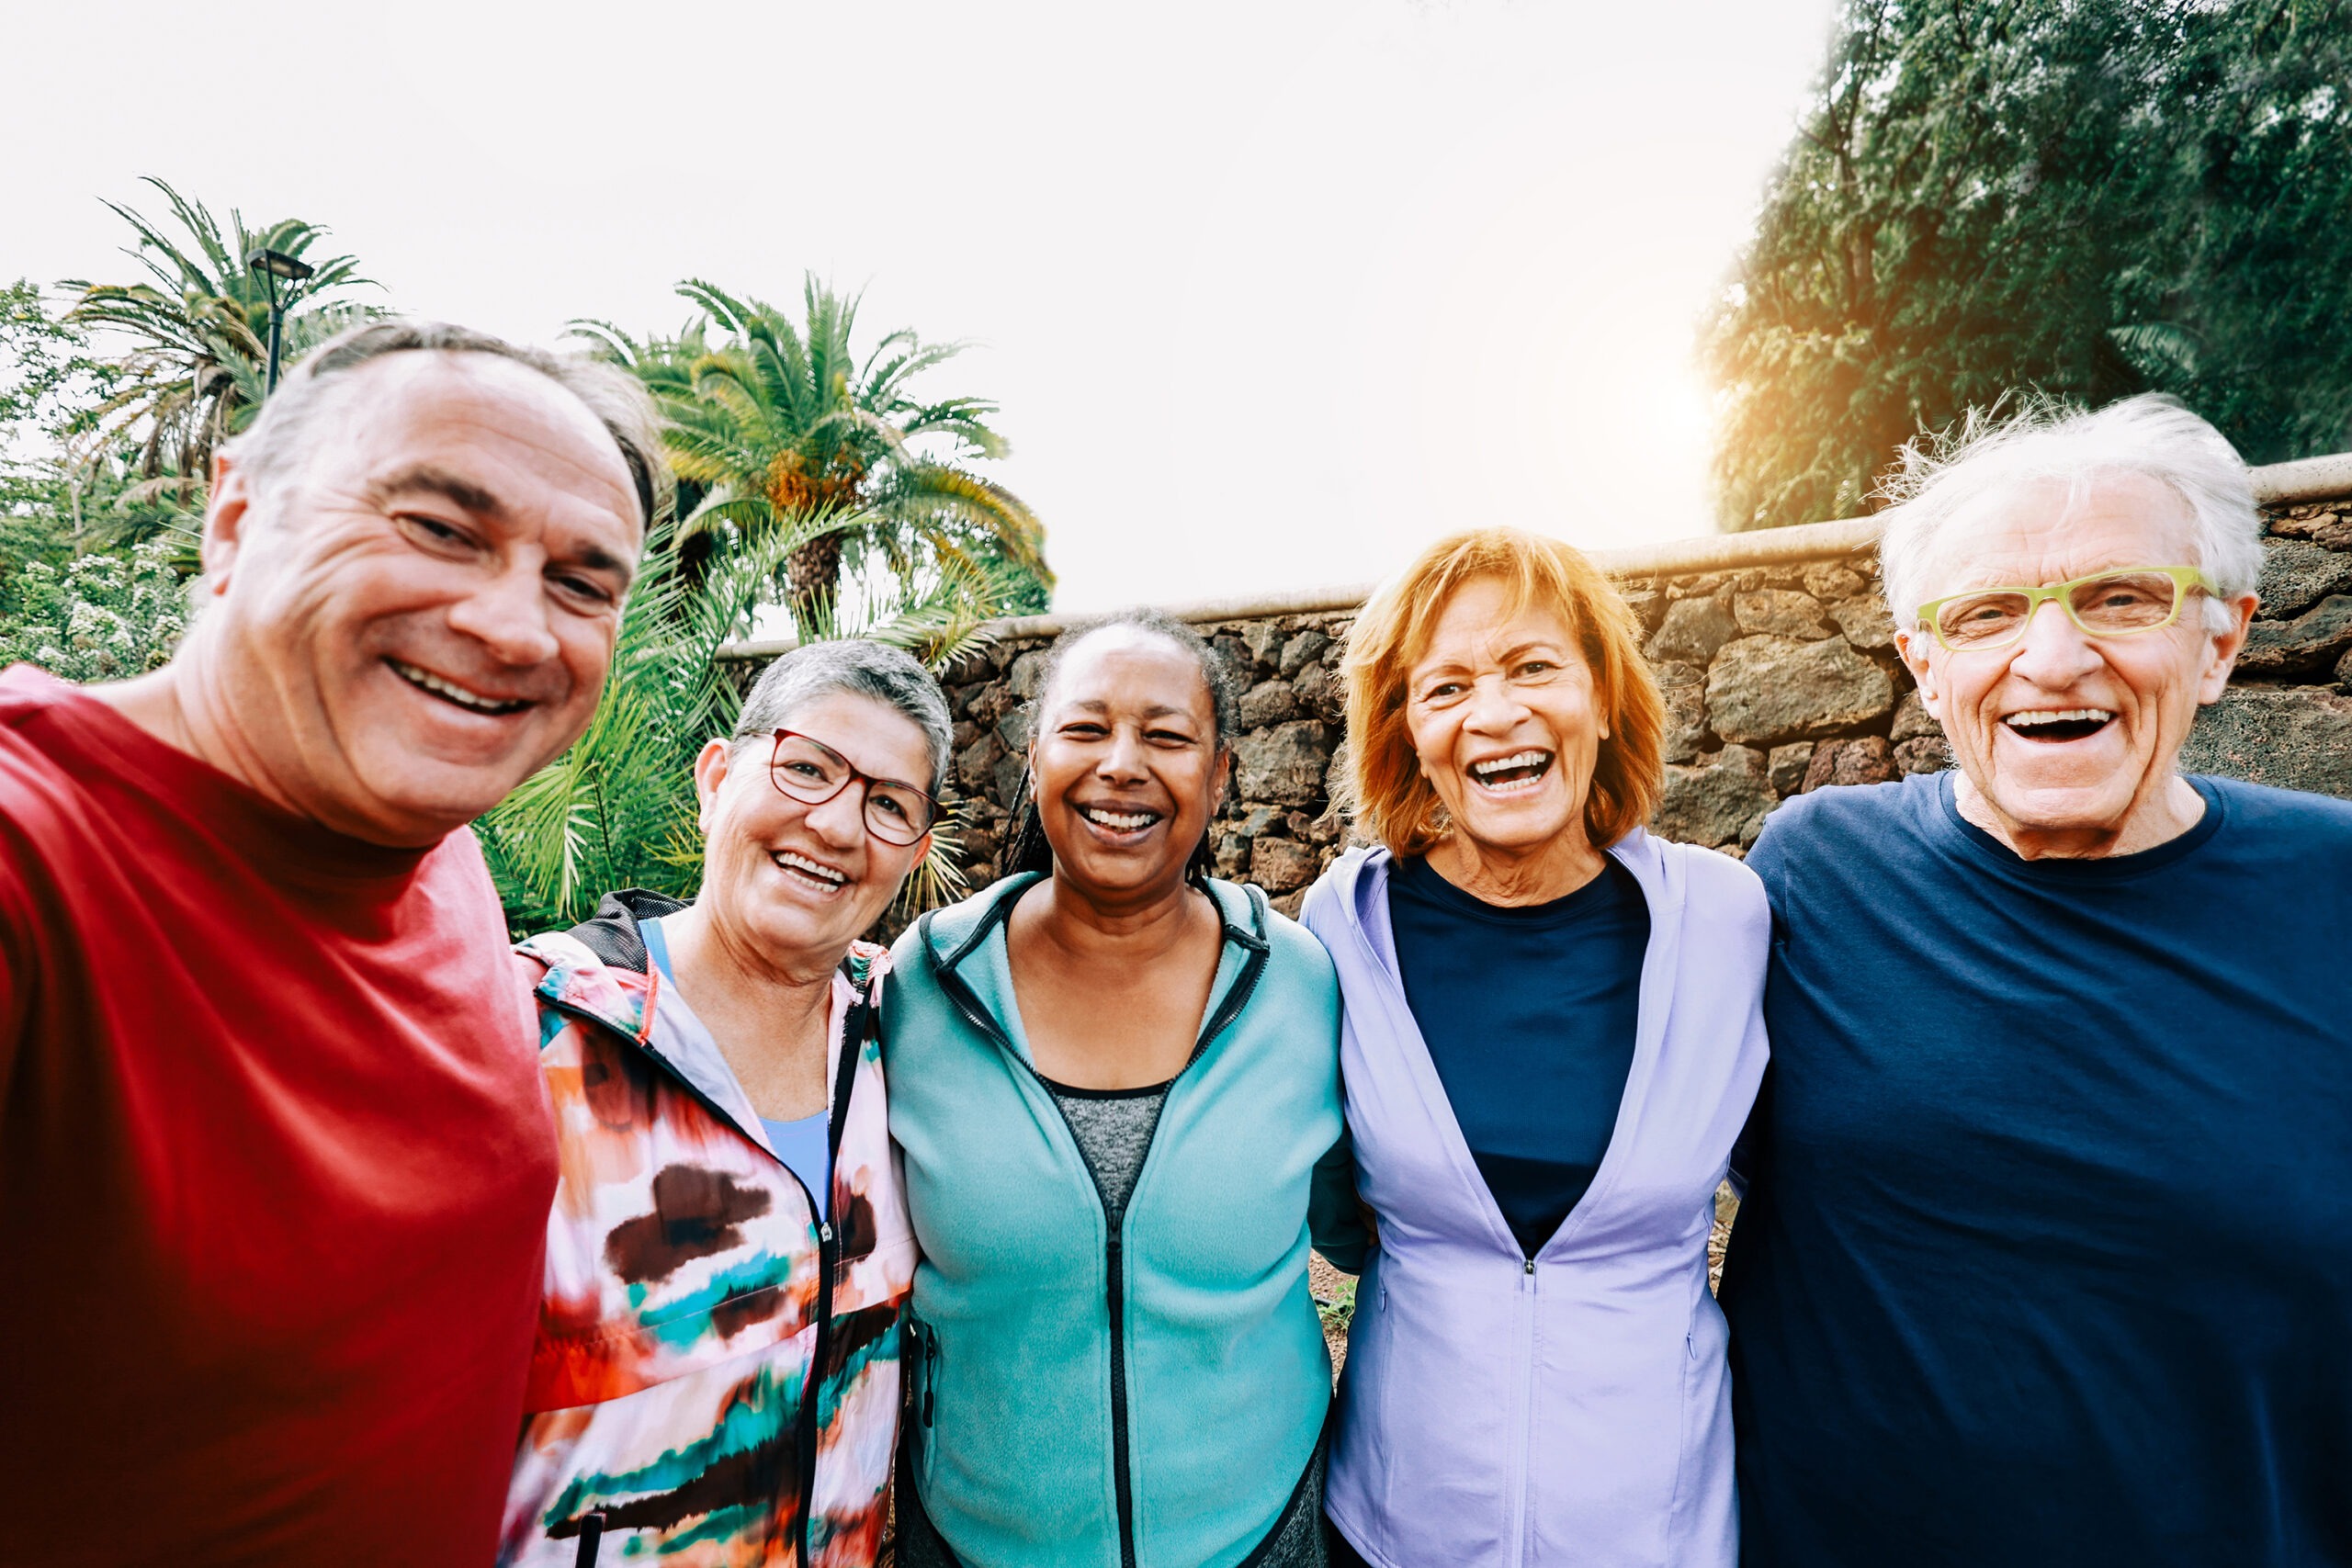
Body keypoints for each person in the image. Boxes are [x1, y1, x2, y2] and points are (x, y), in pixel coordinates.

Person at [0, 321, 662, 1563]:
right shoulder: (34, 858)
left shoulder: (447, 864)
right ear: (237, 517)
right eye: (440, 527)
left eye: (581, 582)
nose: (518, 628)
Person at [1720, 394, 2352, 1564]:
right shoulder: (1814, 875)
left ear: (2219, 642)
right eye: (1986, 613)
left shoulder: (2336, 889)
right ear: (1922, 662)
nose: (2050, 658)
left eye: (2123, 597)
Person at [1298, 529, 1770, 1568]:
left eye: (1532, 668)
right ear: (1408, 733)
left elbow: (1814, 1179)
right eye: (1446, 686)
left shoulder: (1725, 924)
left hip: (1660, 1531)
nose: (1495, 713)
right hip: (1391, 1529)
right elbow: (1331, 1205)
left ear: (1602, 699)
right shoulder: (1341, 928)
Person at [886, 610, 1365, 1568]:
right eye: (1085, 727)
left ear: (1220, 774)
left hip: (1261, 1536)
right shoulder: (922, 987)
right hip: (977, 1542)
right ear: (1033, 757)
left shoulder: (1299, 985)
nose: (1121, 763)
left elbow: (1371, 1227)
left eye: (1167, 735)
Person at [500, 641, 944, 1566]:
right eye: (807, 767)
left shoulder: (911, 1040)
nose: (835, 824)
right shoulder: (531, 1033)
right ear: (715, 778)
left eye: (888, 804)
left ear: (915, 854)